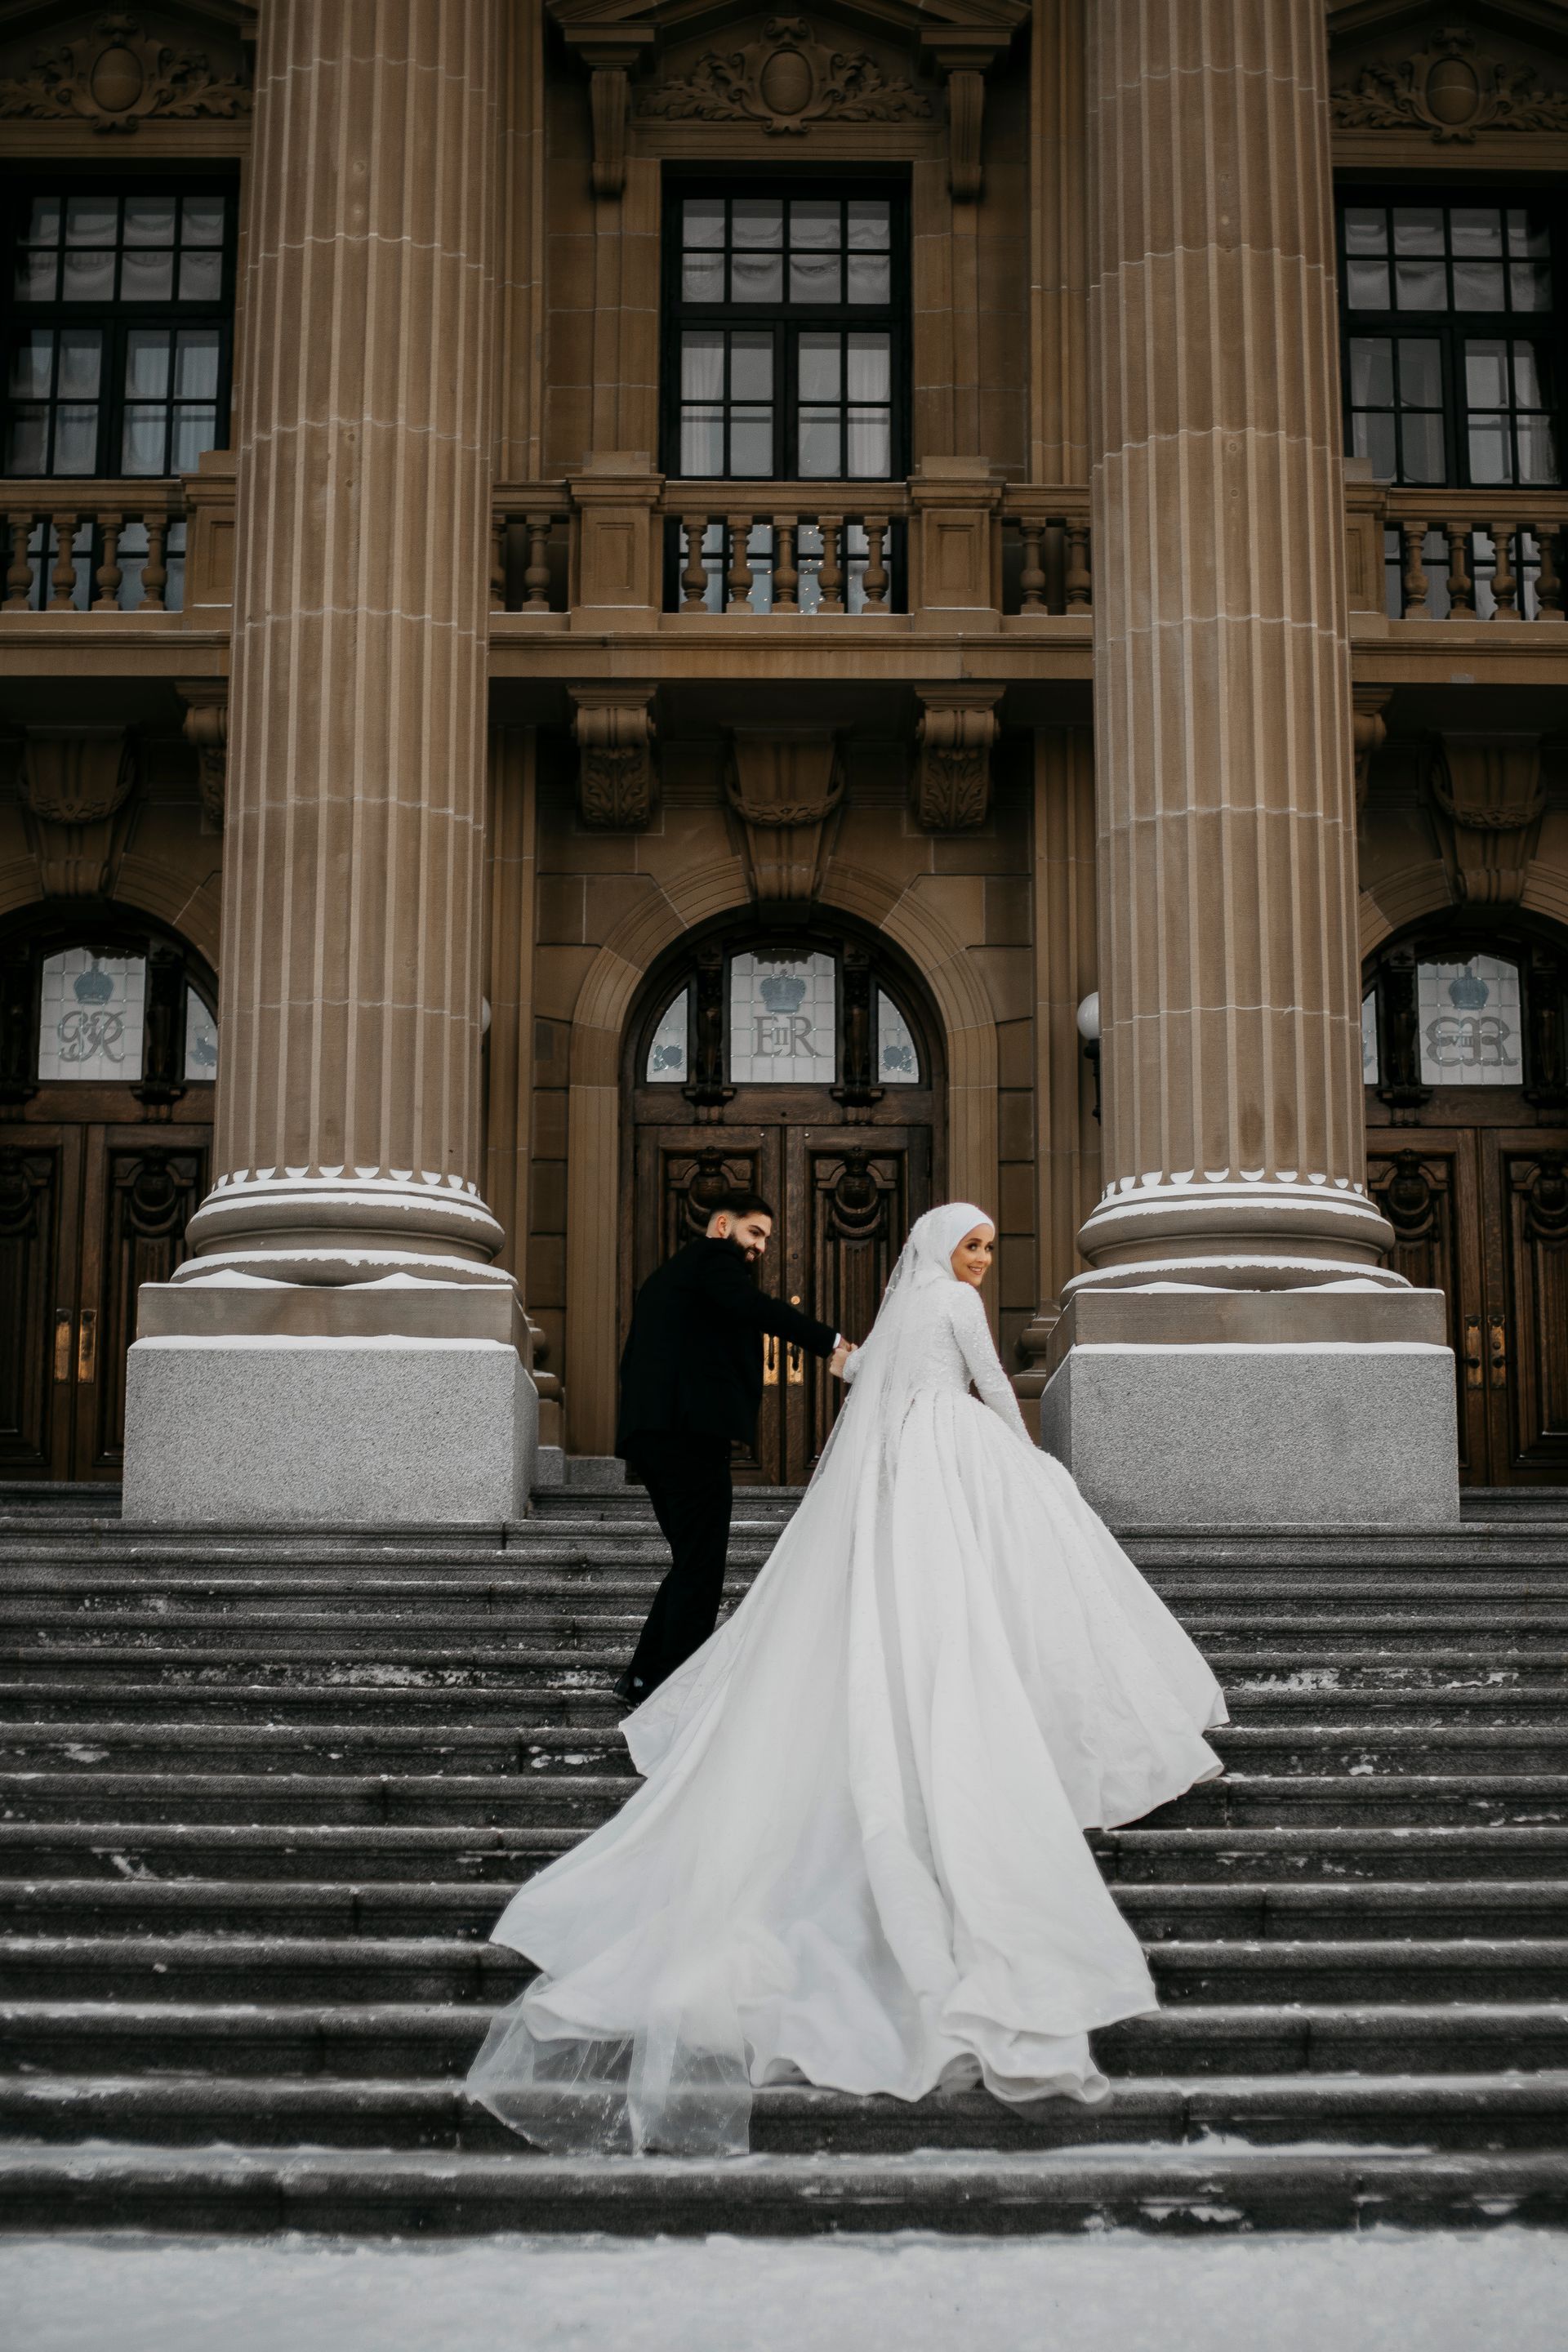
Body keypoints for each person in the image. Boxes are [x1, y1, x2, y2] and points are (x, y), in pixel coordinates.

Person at [468, 1202, 1227, 2157]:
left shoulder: (907, 1306)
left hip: (898, 1463)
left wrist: (849, 1355)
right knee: (983, 1593)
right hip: (948, 1451)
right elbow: (987, 1378)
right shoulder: (938, 1304)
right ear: (942, 1253)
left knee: (901, 1599)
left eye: (992, 1245)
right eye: (975, 1245)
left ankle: (685, 1676)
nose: (985, 1261)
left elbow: (866, 1374)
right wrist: (1031, 1458)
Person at [612, 1188, 851, 1707]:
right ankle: (674, 1691)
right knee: (702, 1567)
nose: (761, 1247)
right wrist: (830, 1342)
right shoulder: (714, 1260)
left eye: (765, 1237)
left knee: (690, 1560)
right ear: (723, 1225)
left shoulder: (672, 1276)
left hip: (654, 1437)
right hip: (688, 1437)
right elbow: (751, 1307)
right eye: (755, 1232)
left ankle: (643, 1679)